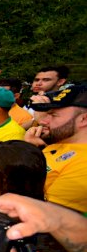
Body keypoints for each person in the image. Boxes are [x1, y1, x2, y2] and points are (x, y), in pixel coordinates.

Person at [24, 83, 87, 212]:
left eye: (53, 115)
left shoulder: (83, 164)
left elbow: (46, 216)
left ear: (84, 119)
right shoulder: (56, 143)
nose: (43, 121)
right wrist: (32, 151)